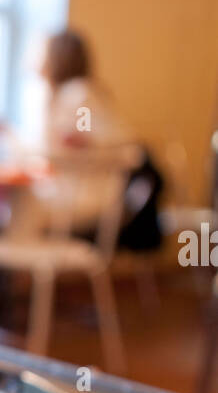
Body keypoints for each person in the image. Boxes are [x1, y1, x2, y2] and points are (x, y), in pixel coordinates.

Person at [39, 30, 163, 249]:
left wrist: (79, 139)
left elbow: (85, 134)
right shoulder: (79, 92)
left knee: (16, 209)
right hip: (88, 193)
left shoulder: (77, 93)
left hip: (83, 198)